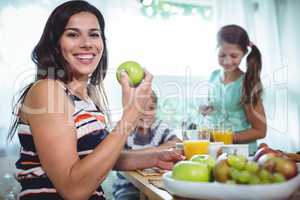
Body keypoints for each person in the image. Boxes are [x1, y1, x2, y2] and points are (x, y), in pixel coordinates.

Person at [7, 1, 183, 199]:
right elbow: (73, 189)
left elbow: (95, 158)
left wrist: (155, 157)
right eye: (73, 34)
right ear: (55, 43)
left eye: (94, 34)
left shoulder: (87, 96)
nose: (87, 43)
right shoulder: (48, 90)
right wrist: (132, 114)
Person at [200, 24, 267, 155]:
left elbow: (260, 131)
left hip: (240, 153)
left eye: (234, 56)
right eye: (222, 55)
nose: (227, 61)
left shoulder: (248, 84)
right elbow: (216, 109)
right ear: (216, 50)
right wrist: (207, 109)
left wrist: (224, 137)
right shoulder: (213, 76)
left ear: (244, 53)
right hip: (215, 150)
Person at [112, 91, 181, 200]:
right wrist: (156, 153)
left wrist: (152, 153)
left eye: (151, 108)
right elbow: (114, 156)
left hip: (156, 185)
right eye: (140, 108)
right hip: (128, 187)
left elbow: (177, 143)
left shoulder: (159, 127)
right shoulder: (123, 129)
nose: (146, 113)